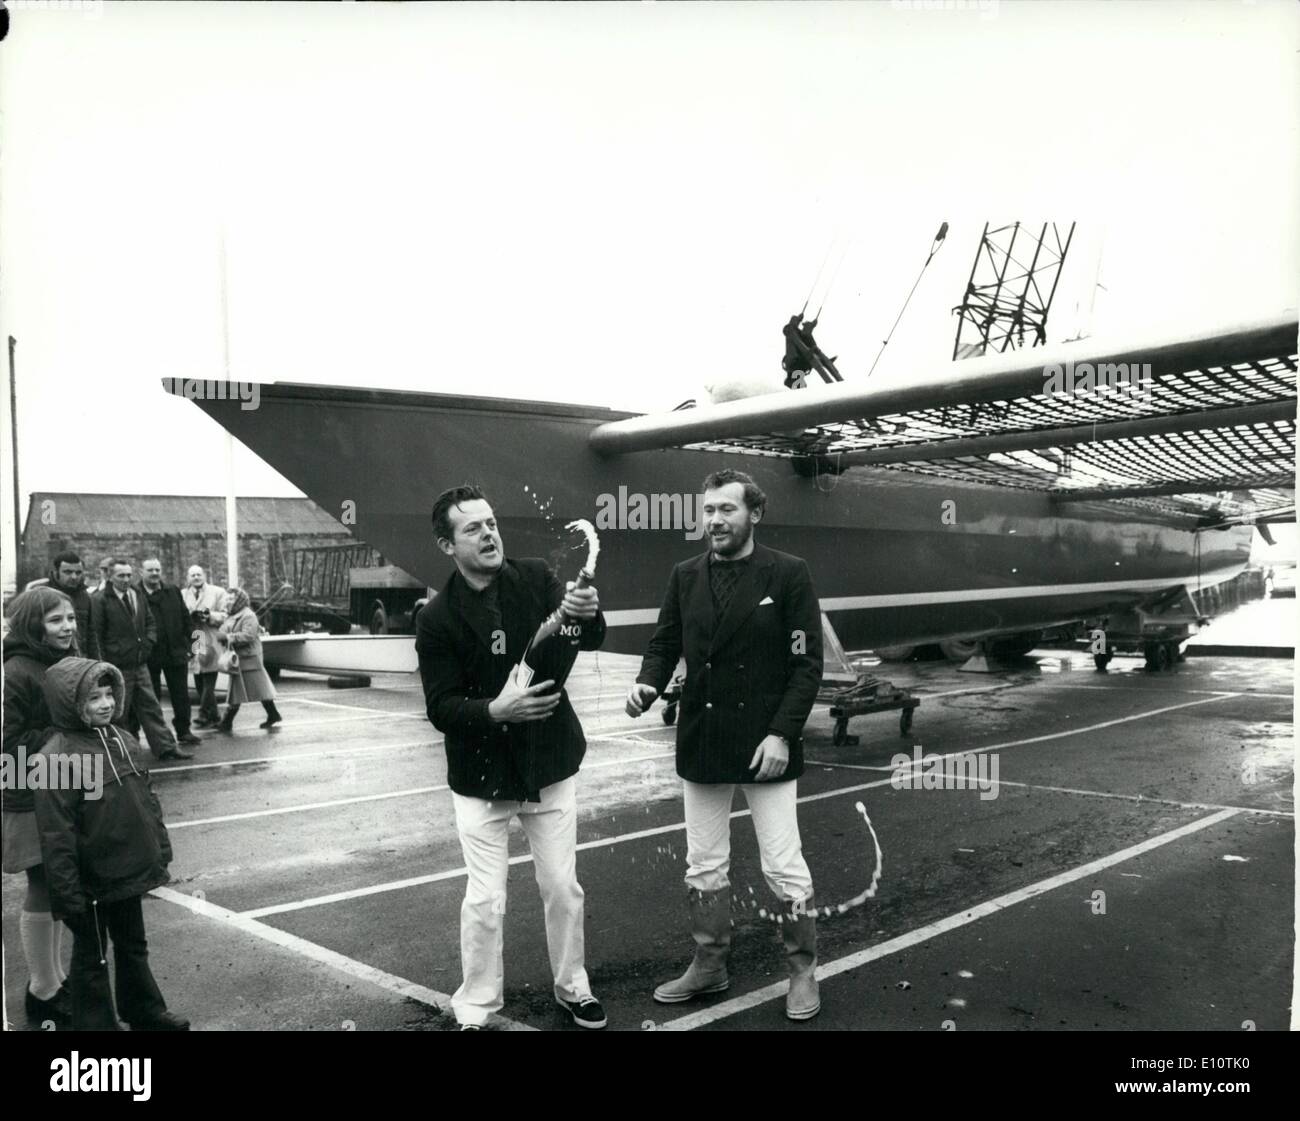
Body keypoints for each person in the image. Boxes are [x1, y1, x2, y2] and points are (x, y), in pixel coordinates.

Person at [626, 467, 824, 1021]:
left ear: (754, 514)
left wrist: (783, 733)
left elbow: (807, 665)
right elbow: (665, 642)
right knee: (704, 863)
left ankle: (803, 969)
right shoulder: (685, 574)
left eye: (727, 510)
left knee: (783, 866)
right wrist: (648, 680)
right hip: (704, 740)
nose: (714, 520)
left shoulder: (787, 574)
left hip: (767, 745)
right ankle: (710, 964)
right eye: (708, 510)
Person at [416, 484, 607, 1030]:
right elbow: (441, 706)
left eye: (491, 523)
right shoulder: (436, 618)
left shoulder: (539, 578)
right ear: (446, 545)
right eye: (472, 528)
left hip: (548, 763)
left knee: (562, 888)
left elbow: (582, 636)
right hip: (480, 777)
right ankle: (475, 1007)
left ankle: (574, 988)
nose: (489, 534)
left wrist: (587, 615)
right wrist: (494, 710)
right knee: (485, 899)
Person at [32, 657, 189, 1031]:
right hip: (90, 882)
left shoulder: (124, 738)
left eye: (108, 694)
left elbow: (146, 799)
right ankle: (96, 1025)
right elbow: (56, 834)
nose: (104, 703)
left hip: (128, 870)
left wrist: (160, 848)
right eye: (92, 698)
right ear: (70, 703)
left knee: (134, 945)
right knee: (92, 959)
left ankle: (144, 1011)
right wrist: (67, 894)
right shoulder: (55, 756)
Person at [2, 587, 78, 1026]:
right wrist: (64, 736)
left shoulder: (58, 662)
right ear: (33, 624)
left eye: (70, 617)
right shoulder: (16, 670)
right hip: (31, 791)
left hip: (65, 785)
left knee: (59, 887)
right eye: (55, 620)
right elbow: (9, 745)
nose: (67, 626)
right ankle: (43, 988)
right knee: (44, 884)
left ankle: (54, 979)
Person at [90, 560, 189, 761]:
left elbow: (152, 622)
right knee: (119, 712)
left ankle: (166, 747)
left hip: (143, 661)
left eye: (128, 575)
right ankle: (120, 752)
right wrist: (102, 664)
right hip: (117, 665)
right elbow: (96, 635)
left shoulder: (139, 595)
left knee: (151, 708)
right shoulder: (100, 600)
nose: (126, 579)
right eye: (121, 576)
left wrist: (148, 643)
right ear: (110, 576)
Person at [140, 559, 201, 746]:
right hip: (150, 655)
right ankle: (159, 736)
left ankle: (184, 731)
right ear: (141, 572)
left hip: (176, 652)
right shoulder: (135, 594)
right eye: (150, 570)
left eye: (157, 569)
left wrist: (197, 647)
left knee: (181, 695)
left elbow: (188, 621)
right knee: (152, 698)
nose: (154, 573)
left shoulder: (173, 591)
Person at [216, 587, 282, 731]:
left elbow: (248, 636)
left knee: (251, 689)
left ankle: (227, 722)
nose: (228, 601)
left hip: (249, 658)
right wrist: (222, 635)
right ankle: (273, 714)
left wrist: (227, 637)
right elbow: (223, 629)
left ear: (239, 600)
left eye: (231, 598)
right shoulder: (232, 615)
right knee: (258, 689)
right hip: (241, 659)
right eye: (227, 598)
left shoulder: (248, 615)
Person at [24, 551, 100, 660]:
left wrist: (96, 663)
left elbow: (91, 634)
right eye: (68, 572)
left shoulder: (85, 597)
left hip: (79, 660)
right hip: (48, 659)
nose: (74, 577)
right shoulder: (41, 594)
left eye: (78, 572)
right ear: (56, 572)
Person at [182, 565, 227, 728]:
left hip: (211, 637)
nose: (196, 577)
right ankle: (214, 716)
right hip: (195, 638)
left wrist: (209, 616)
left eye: (199, 574)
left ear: (204, 576)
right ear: (188, 577)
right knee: (198, 676)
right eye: (192, 575)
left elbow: (225, 614)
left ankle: (203, 713)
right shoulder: (182, 594)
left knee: (209, 676)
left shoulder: (218, 592)